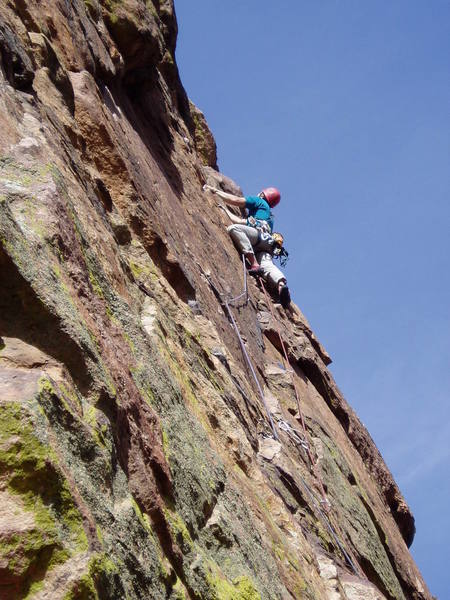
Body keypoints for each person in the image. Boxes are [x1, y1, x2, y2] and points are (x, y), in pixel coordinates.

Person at [203, 185, 291, 308]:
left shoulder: (259, 201)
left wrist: (216, 192)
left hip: (256, 237)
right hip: (267, 244)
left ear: (263, 194)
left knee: (234, 229)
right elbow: (242, 221)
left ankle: (254, 263)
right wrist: (225, 211)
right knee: (267, 265)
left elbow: (237, 201)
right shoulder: (269, 216)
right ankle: (281, 285)